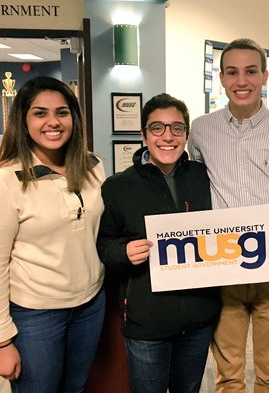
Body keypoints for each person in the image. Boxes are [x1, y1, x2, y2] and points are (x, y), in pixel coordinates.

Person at [188, 38, 269, 392]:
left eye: (251, 71)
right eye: (232, 72)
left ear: (265, 76)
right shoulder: (201, 130)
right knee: (228, 376)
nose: (242, 81)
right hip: (223, 267)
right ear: (222, 78)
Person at [0, 76, 106, 392]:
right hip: (36, 314)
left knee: (76, 388)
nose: (53, 122)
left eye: (62, 112)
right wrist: (1, 341)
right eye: (40, 113)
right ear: (23, 120)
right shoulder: (3, 182)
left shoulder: (93, 166)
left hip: (90, 305)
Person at [96, 93, 221, 393]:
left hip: (198, 316)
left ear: (187, 135)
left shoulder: (205, 178)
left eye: (177, 128)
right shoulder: (117, 187)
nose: (168, 137)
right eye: (157, 128)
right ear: (143, 135)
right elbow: (104, 244)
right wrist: (123, 252)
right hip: (147, 320)